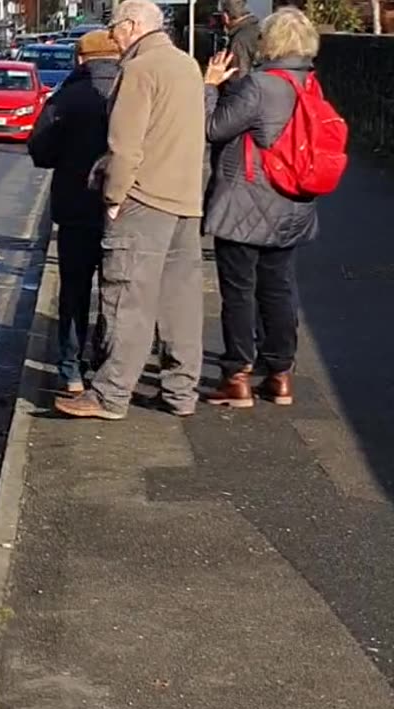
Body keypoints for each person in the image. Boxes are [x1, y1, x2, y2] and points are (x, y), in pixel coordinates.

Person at [54, 0, 206, 420]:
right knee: (180, 302)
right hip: (185, 201)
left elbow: (124, 146)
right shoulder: (187, 66)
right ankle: (180, 392)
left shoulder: (139, 71)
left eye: (116, 27)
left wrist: (114, 197)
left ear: (134, 25)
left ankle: (110, 394)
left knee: (127, 298)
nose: (113, 36)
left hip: (143, 199)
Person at [201, 6, 322, 408]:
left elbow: (214, 128)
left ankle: (237, 376)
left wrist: (210, 86)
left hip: (245, 201)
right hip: (291, 201)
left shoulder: (259, 85)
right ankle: (280, 375)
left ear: (269, 42)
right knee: (279, 288)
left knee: (239, 290)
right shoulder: (311, 85)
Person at [26, 29, 121, 395]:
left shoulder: (68, 96)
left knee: (75, 290)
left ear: (81, 59)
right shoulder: (131, 91)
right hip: (124, 207)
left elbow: (40, 149)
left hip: (75, 205)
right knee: (119, 291)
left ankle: (71, 369)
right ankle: (110, 364)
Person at [220, 0, 262, 80]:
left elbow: (238, 75)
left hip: (245, 89)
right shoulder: (260, 30)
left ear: (226, 17)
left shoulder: (239, 40)